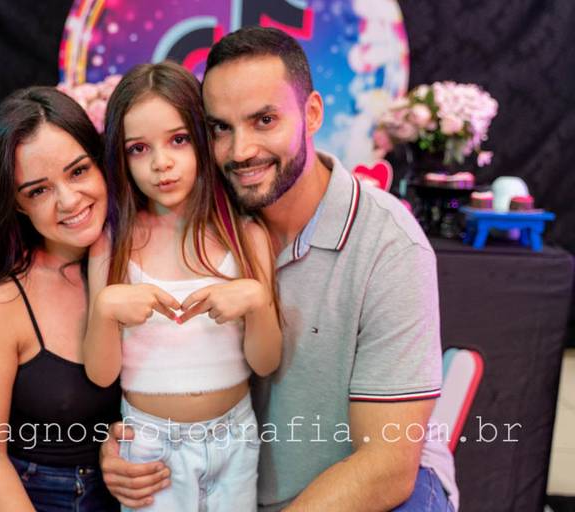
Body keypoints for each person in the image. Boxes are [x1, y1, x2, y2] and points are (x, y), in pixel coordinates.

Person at [100, 27, 458, 512]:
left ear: (312, 114)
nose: (241, 150)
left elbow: (387, 467)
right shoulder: (200, 215)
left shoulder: (388, 244)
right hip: (233, 486)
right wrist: (124, 446)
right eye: (220, 128)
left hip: (371, 492)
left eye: (264, 120)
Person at [83, 61, 282, 511]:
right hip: (149, 444)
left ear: (203, 138)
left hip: (235, 437)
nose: (161, 163)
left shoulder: (245, 236)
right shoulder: (112, 244)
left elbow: (266, 362)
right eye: (139, 148)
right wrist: (105, 308)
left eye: (178, 139)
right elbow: (101, 374)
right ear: (121, 158)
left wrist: (256, 301)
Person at [0, 86, 120, 511]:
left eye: (78, 171)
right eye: (38, 191)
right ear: (18, 204)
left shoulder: (139, 259)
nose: (69, 201)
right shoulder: (0, 300)